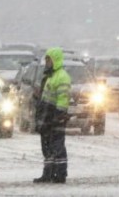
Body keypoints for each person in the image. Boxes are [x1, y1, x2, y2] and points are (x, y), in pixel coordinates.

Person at [34, 47, 71, 184]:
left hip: (56, 117)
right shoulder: (50, 76)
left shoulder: (62, 77)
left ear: (55, 60)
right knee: (47, 147)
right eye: (46, 60)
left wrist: (59, 116)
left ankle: (60, 174)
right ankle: (48, 173)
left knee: (57, 147)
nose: (46, 62)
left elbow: (63, 99)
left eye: (48, 60)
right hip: (48, 117)